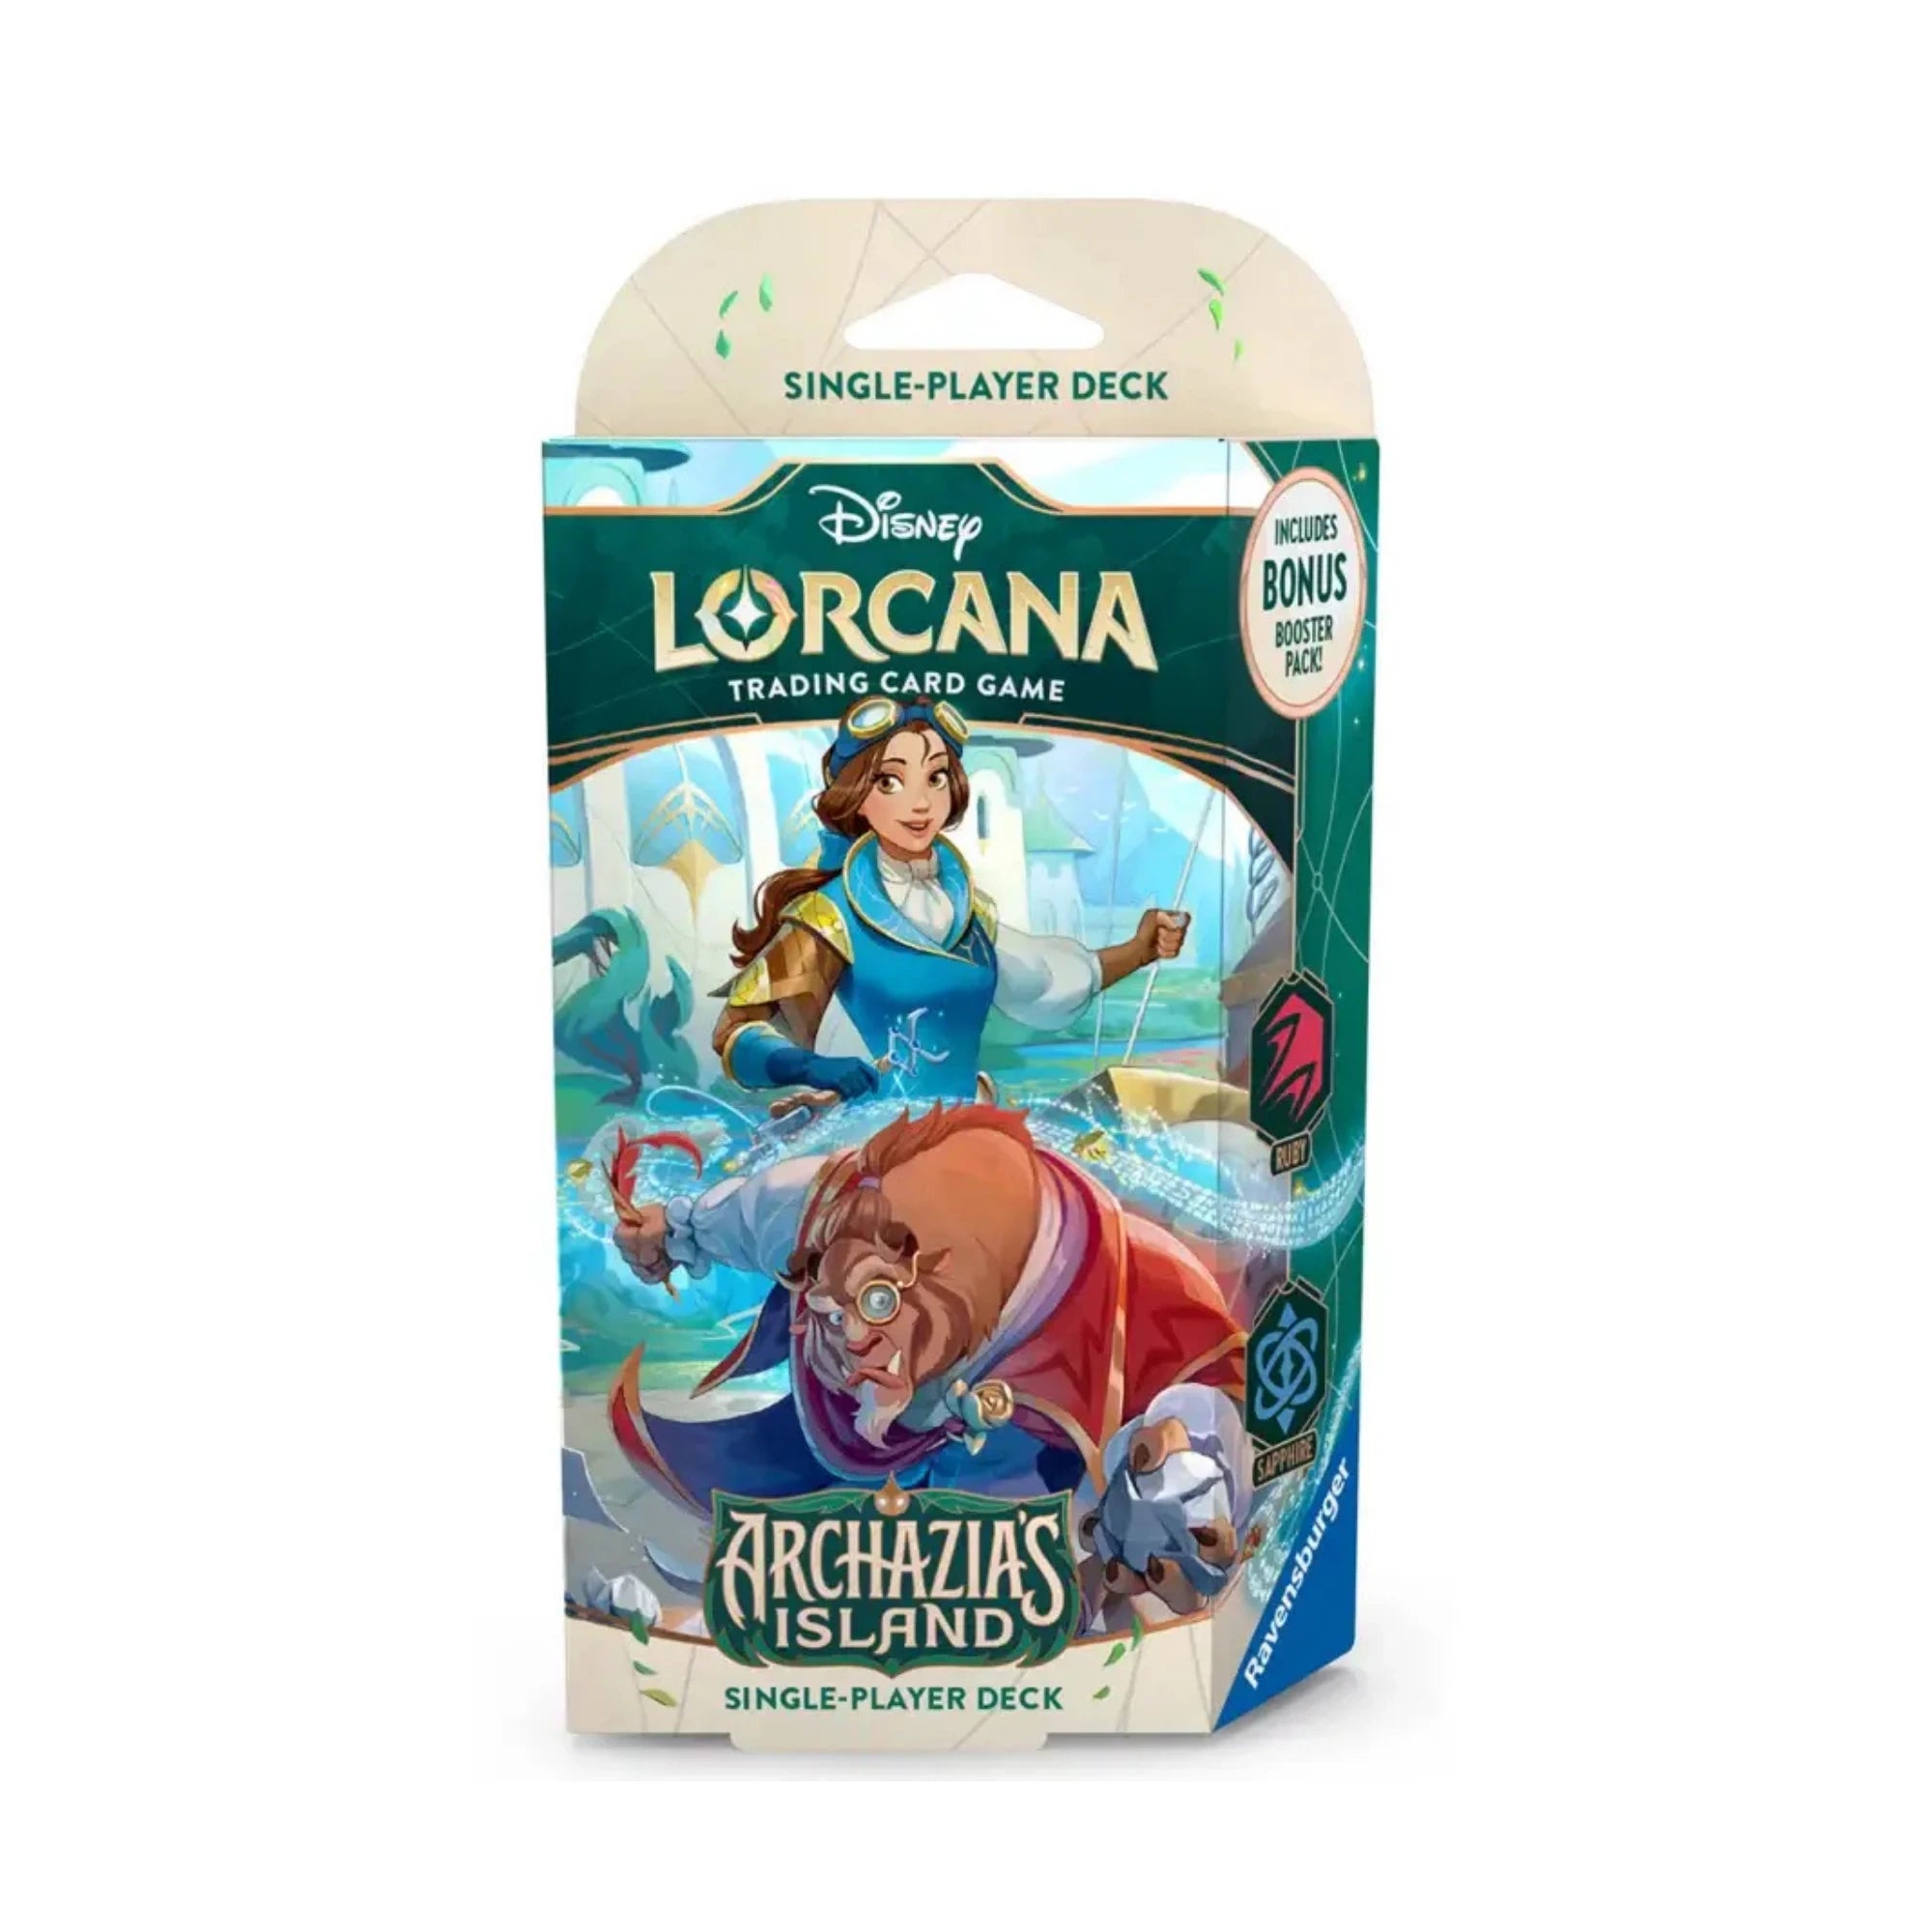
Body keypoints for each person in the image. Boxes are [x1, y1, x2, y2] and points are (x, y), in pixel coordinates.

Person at [717, 696, 1186, 1101]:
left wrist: (1139, 951)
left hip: (971, 1117)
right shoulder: (830, 914)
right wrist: (809, 1066)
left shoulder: (969, 912)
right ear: (856, 795)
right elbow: (737, 1031)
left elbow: (1049, 981)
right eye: (890, 782)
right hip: (877, 1132)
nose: (920, 803)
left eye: (936, 777)